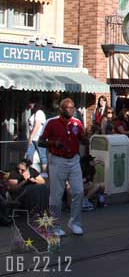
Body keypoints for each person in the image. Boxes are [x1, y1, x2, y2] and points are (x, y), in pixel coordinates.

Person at [38, 98, 88, 236]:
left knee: (78, 191)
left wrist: (85, 139)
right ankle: (54, 226)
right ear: (61, 109)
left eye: (73, 107)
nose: (71, 110)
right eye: (68, 108)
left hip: (74, 160)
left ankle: (75, 223)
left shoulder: (77, 123)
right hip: (58, 160)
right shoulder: (52, 122)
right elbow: (41, 142)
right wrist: (54, 143)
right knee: (56, 195)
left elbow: (82, 138)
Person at [26, 98, 47, 174]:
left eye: (31, 103)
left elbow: (37, 125)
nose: (29, 104)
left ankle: (44, 172)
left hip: (39, 138)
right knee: (29, 154)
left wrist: (31, 137)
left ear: (35, 104)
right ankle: (28, 171)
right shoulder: (34, 113)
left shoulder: (39, 113)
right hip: (34, 138)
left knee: (42, 155)